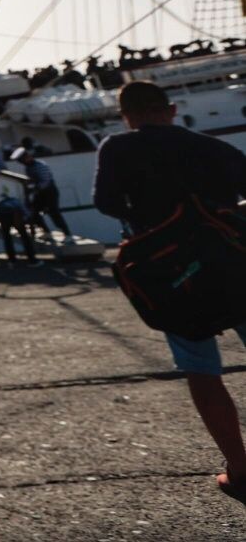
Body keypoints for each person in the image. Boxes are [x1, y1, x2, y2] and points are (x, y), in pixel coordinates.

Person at [94, 81, 246, 506]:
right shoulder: (213, 147)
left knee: (202, 368)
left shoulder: (117, 148)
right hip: (237, 260)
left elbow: (106, 202)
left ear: (127, 116)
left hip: (175, 272)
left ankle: (240, 469)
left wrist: (150, 215)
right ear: (172, 109)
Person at [11, 145, 69, 239]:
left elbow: (46, 181)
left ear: (27, 157)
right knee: (33, 212)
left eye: (21, 160)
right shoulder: (29, 168)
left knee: (53, 212)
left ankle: (67, 233)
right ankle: (46, 231)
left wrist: (34, 189)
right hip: (40, 192)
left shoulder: (40, 165)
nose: (22, 163)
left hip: (49, 192)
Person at [0, 192, 38, 264]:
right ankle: (32, 259)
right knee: (25, 237)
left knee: (7, 238)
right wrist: (25, 222)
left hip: (4, 216)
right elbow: (27, 213)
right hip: (14, 214)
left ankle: (11, 260)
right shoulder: (17, 201)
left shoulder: (1, 202)